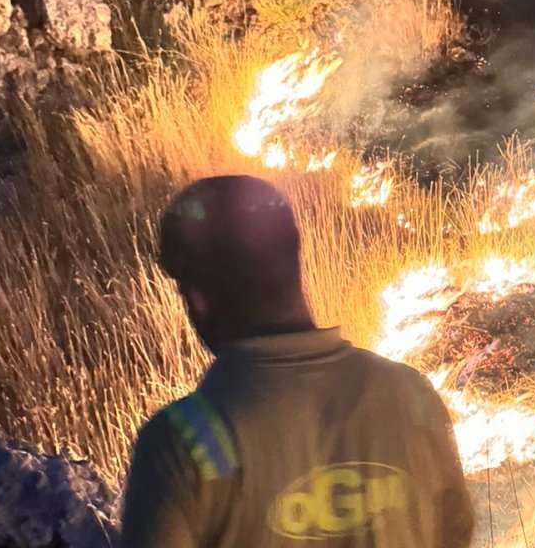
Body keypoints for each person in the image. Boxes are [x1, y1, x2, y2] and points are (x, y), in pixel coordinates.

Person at [120, 175, 475, 547]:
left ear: (196, 300)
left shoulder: (180, 444)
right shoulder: (414, 395)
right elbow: (456, 532)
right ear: (294, 266)